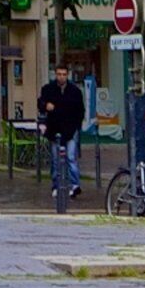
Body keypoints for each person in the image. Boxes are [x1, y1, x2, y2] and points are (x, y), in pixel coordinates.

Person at [35, 63, 87, 203]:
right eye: (59, 74)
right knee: (55, 159)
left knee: (71, 157)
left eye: (64, 74)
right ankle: (56, 185)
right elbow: (40, 103)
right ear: (55, 74)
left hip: (70, 129)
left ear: (68, 75)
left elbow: (80, 111)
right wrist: (46, 106)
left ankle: (74, 185)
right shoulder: (48, 89)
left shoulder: (75, 91)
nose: (61, 77)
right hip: (55, 129)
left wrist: (76, 126)